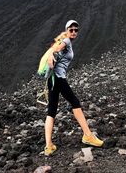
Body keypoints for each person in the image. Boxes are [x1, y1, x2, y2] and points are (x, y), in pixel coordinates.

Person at [44, 20, 104, 156]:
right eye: (71, 30)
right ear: (67, 30)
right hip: (58, 79)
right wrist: (51, 54)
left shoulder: (62, 41)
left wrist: (52, 54)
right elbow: (55, 50)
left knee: (51, 111)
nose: (74, 32)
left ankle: (48, 146)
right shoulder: (66, 41)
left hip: (52, 80)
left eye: (76, 30)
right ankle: (88, 135)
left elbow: (55, 50)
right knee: (75, 103)